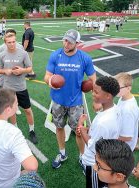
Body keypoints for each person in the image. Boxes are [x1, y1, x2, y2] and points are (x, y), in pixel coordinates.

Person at [44, 29, 96, 169]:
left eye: (70, 42)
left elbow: (93, 79)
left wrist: (92, 92)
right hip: (58, 100)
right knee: (59, 127)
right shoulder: (55, 55)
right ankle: (62, 153)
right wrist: (50, 82)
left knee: (79, 132)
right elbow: (47, 75)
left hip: (76, 102)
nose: (66, 44)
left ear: (77, 43)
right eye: (65, 40)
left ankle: (82, 157)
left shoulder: (85, 58)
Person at [77, 76, 120, 188]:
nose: (92, 94)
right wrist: (89, 130)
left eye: (96, 92)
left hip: (94, 164)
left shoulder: (103, 122)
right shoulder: (113, 109)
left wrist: (82, 129)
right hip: (105, 157)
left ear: (108, 96)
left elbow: (93, 147)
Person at [0, 33, 37, 144]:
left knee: (28, 110)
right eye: (9, 42)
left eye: (14, 41)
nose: (12, 44)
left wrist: (22, 70)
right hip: (8, 88)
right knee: (12, 111)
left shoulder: (23, 53)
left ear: (16, 41)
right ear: (5, 43)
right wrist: (5, 71)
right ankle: (15, 130)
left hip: (21, 87)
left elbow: (30, 68)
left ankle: (32, 130)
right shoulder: (2, 55)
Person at [115, 73, 139, 151]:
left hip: (123, 148)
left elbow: (127, 137)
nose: (114, 89)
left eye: (118, 87)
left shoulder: (128, 110)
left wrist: (109, 137)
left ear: (128, 88)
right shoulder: (124, 97)